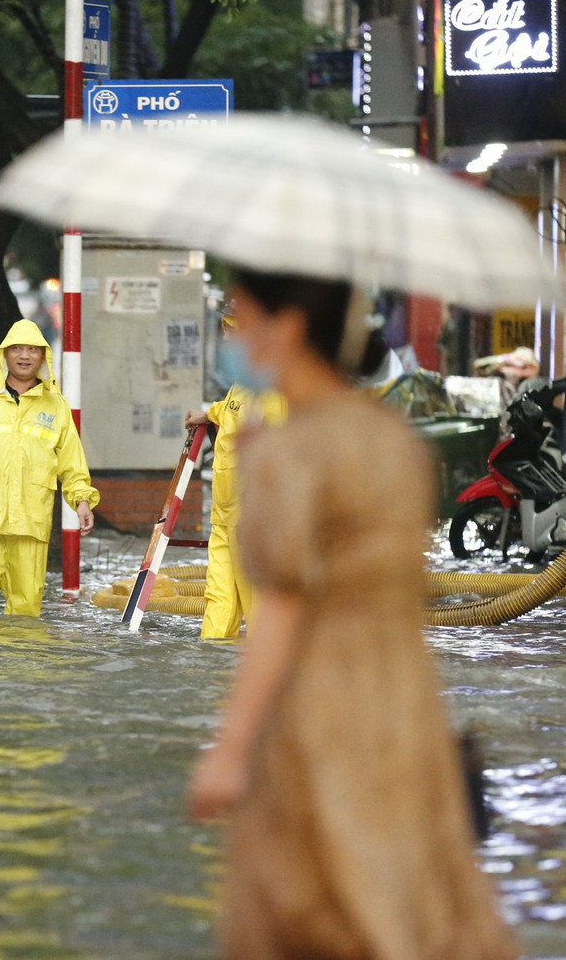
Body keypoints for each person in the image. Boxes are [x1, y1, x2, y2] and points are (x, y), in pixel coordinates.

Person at [185, 271, 516, 960]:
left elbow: (284, 605)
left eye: (243, 315)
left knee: (311, 905)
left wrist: (231, 745)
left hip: (319, 709)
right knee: (404, 899)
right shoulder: (391, 436)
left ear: (290, 326)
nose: (234, 335)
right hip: (405, 705)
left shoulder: (293, 450)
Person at [0, 318, 99, 617]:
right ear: (5, 354)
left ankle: (20, 661)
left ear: (43, 357)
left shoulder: (56, 405)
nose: (25, 356)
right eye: (17, 349)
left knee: (26, 606)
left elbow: (71, 459)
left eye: (32, 349)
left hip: (31, 519)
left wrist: (81, 501)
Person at [183, 312, 286, 640]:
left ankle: (262, 681)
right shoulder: (241, 388)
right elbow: (227, 412)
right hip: (224, 519)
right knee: (219, 598)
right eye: (226, 332)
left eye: (234, 332)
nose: (227, 339)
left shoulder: (272, 391)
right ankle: (212, 669)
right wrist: (205, 414)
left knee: (257, 606)